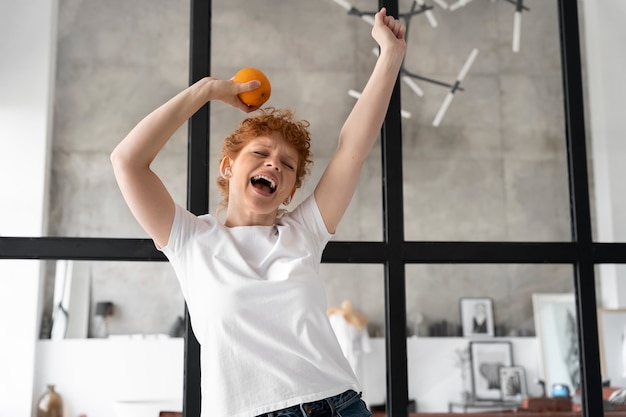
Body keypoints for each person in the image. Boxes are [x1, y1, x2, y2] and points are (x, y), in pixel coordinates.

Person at [111, 8, 406, 417]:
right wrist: (208, 91)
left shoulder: (303, 231)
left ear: (288, 191)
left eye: (287, 166)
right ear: (229, 167)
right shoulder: (190, 240)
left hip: (339, 405)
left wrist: (389, 55)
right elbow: (127, 160)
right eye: (261, 153)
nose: (273, 165)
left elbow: (352, 147)